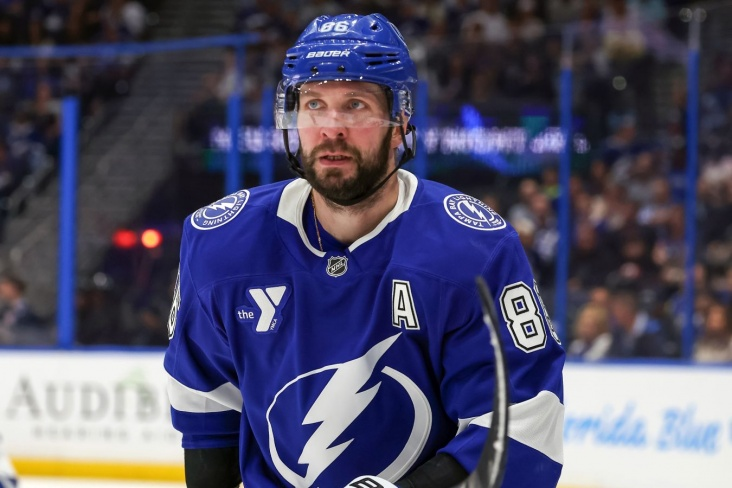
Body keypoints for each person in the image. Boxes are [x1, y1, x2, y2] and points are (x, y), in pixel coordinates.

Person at [164, 13, 565, 488]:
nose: (331, 128)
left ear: (400, 123)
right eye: (314, 104)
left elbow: (520, 431)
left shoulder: (474, 251)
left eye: (355, 105)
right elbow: (207, 409)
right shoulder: (221, 245)